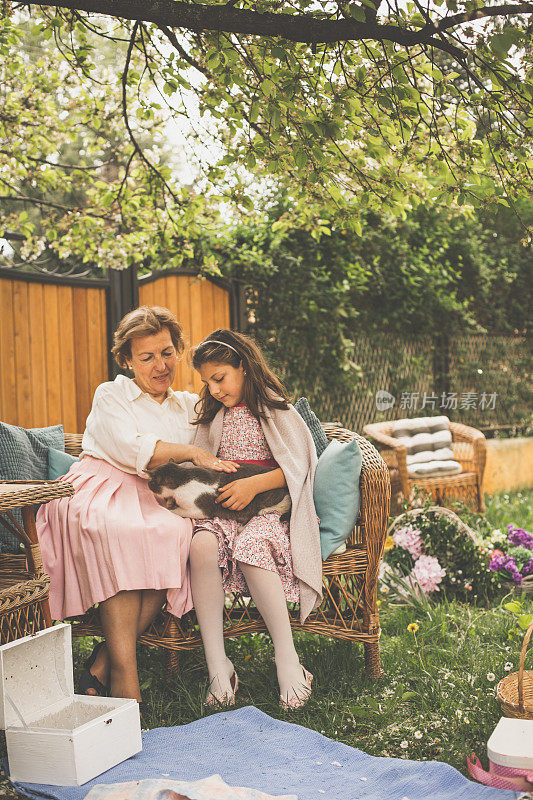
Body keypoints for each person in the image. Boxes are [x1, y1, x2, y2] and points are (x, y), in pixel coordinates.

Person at [36, 306, 237, 704]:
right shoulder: (111, 393)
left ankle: (103, 663)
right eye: (146, 357)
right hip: (101, 485)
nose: (160, 365)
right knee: (124, 532)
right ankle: (127, 675)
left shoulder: (189, 405)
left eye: (166, 352)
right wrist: (190, 455)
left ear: (178, 350)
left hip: (158, 496)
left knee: (174, 534)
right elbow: (132, 450)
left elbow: (231, 425)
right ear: (127, 360)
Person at [190, 329, 322, 709]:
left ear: (244, 368)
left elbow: (300, 467)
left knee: (251, 547)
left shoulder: (276, 410)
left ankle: (288, 659)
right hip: (225, 513)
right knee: (200, 546)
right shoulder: (214, 418)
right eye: (207, 382)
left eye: (220, 378)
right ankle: (219, 666)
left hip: (268, 512)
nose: (214, 389)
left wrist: (255, 485)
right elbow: (200, 465)